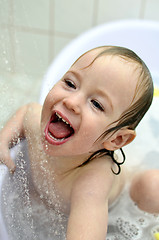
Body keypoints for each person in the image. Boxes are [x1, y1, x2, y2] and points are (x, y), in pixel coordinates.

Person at [0, 45, 157, 240]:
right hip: (51, 202)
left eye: (97, 104)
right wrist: (4, 140)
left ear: (116, 139)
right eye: (70, 83)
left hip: (126, 199)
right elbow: (26, 112)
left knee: (152, 188)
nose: (71, 102)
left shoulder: (92, 181)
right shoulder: (35, 125)